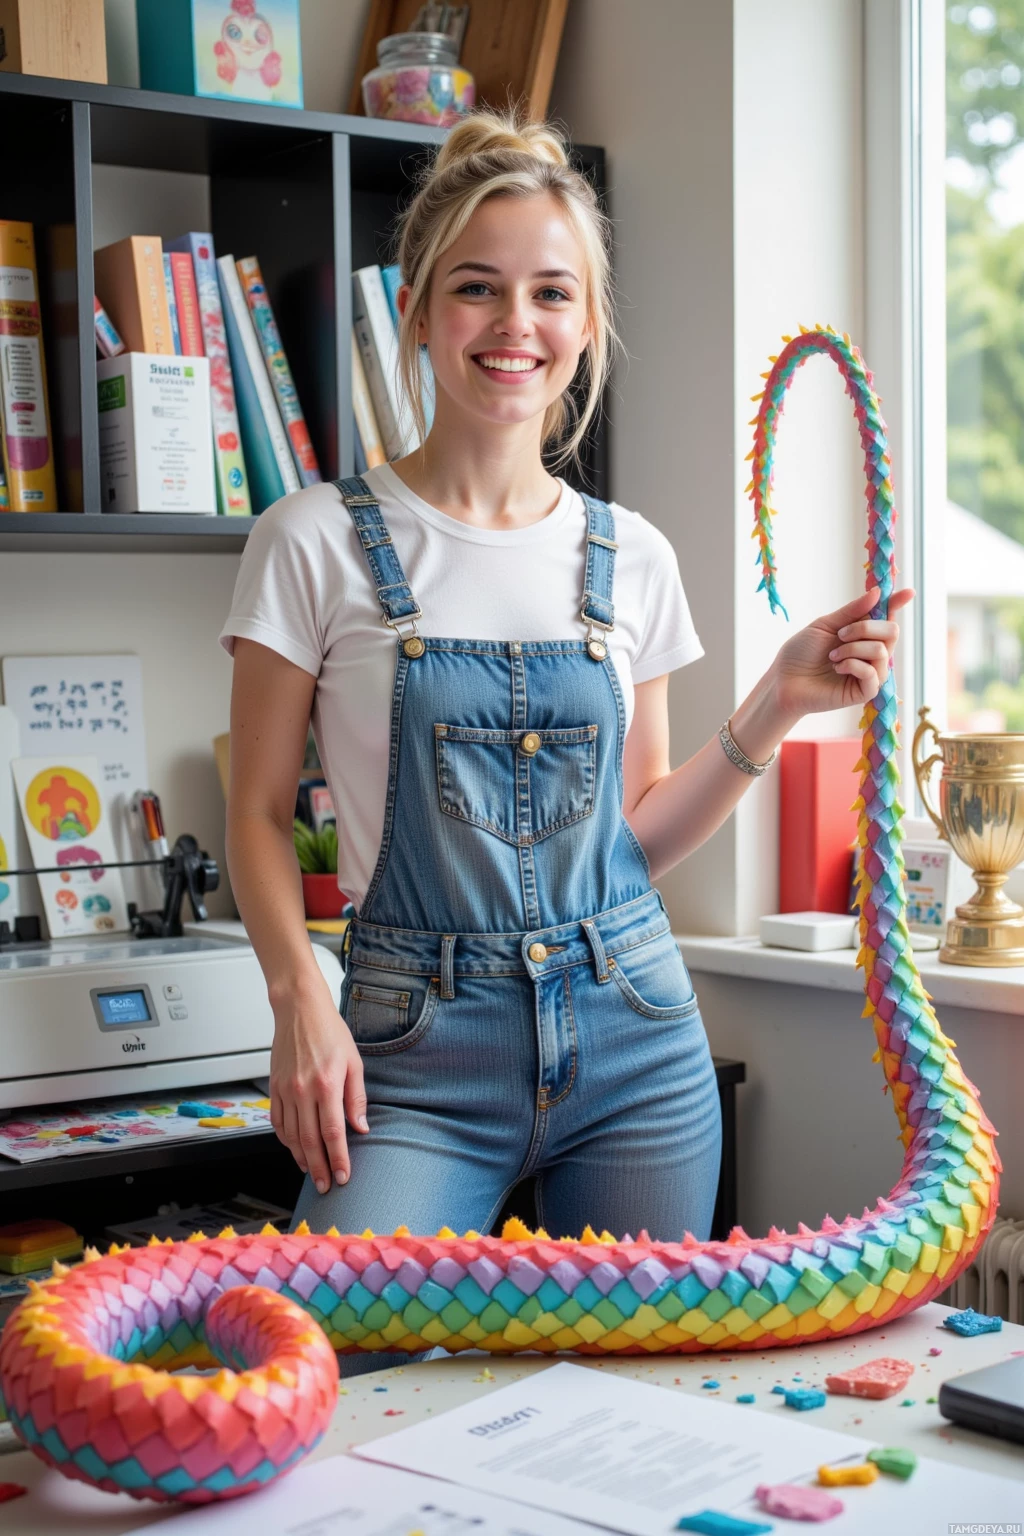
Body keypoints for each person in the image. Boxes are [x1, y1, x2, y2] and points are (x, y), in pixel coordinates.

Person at [221, 109, 912, 1257]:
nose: (514, 325)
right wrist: (299, 1000)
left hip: (633, 1037)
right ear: (419, 309)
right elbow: (250, 812)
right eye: (477, 288)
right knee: (334, 1357)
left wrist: (778, 704)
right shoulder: (310, 539)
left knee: (626, 1405)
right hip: (411, 1054)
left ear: (586, 324)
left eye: (550, 293)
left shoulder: (629, 553)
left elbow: (627, 841)